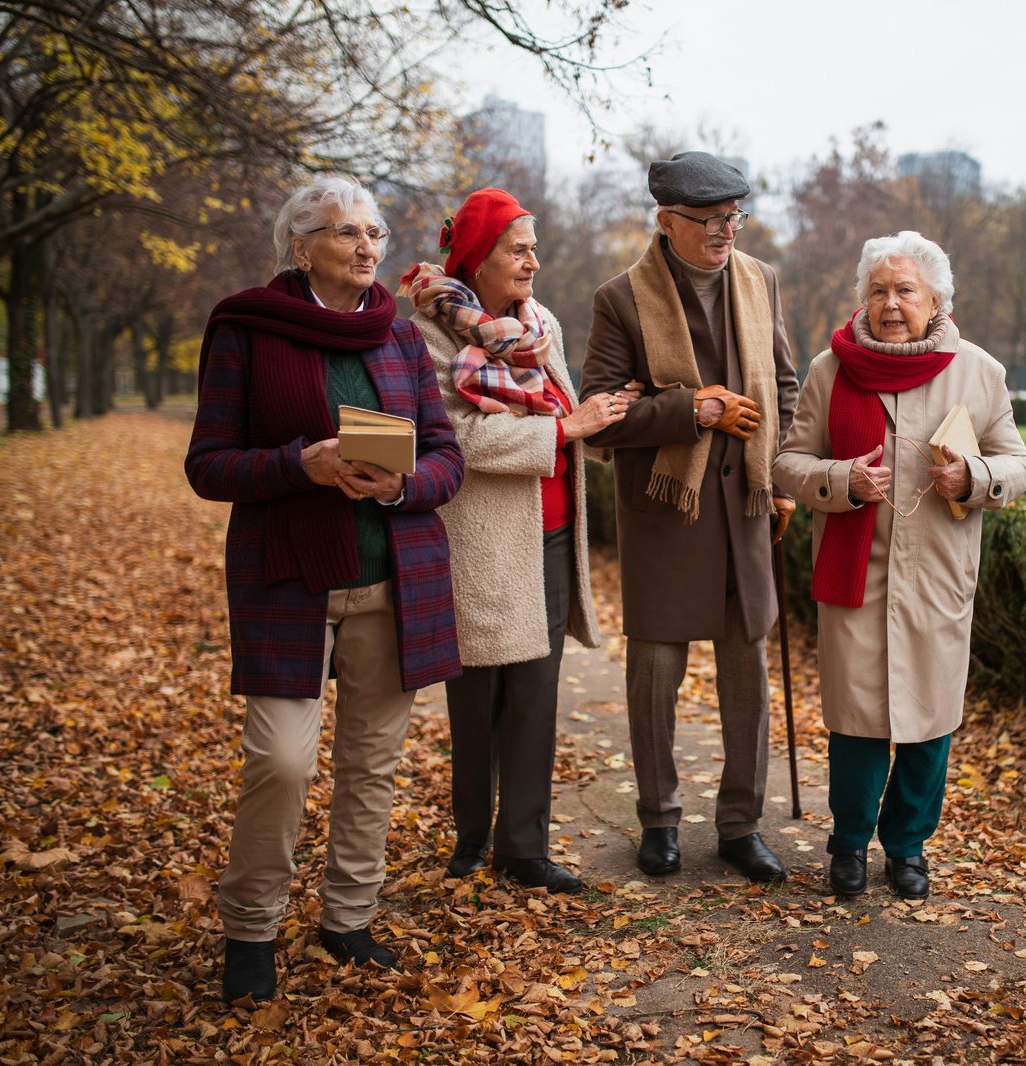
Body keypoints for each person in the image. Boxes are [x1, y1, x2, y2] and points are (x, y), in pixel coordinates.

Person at [185, 176, 464, 1003]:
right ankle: (251, 927)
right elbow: (207, 464)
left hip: (393, 579)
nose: (367, 246)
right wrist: (294, 464)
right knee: (280, 759)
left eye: (374, 231)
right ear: (300, 245)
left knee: (372, 765)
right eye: (346, 232)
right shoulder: (246, 327)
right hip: (290, 578)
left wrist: (398, 488)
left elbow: (445, 457)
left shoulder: (401, 339)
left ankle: (347, 919)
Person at [771, 231, 1026, 900]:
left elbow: (1019, 461)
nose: (891, 304)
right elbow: (788, 462)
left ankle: (909, 847)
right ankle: (849, 845)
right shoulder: (829, 370)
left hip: (937, 578)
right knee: (857, 722)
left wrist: (976, 476)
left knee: (929, 722)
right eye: (879, 291)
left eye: (905, 290)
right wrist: (841, 479)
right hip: (854, 577)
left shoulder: (979, 370)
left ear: (937, 299)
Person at [400, 188, 638, 893]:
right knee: (476, 698)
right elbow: (459, 438)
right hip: (480, 539)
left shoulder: (542, 326)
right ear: (477, 259)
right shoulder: (432, 337)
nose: (534, 260)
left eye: (534, 247)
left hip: (552, 533)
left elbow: (570, 411)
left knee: (535, 694)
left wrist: (604, 421)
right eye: (518, 249)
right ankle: (471, 839)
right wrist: (567, 429)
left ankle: (524, 849)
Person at [579, 151, 799, 883]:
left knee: (747, 677)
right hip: (666, 514)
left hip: (745, 509)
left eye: (734, 217)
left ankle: (741, 826)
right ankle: (660, 822)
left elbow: (787, 387)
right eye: (710, 220)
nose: (725, 231)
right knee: (655, 678)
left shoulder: (762, 279)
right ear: (665, 221)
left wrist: (780, 479)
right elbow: (603, 418)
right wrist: (690, 409)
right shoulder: (620, 298)